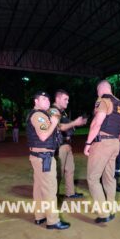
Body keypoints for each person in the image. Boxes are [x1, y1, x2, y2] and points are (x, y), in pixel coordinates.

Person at [84, 80, 120, 224]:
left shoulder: (103, 101)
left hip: (103, 143)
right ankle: (111, 209)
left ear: (100, 90)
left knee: (93, 178)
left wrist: (88, 143)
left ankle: (103, 213)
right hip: (116, 143)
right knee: (109, 178)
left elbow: (96, 124)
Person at [26, 91, 70, 230]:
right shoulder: (38, 116)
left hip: (38, 156)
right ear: (36, 101)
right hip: (44, 157)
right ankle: (52, 221)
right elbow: (44, 136)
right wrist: (54, 122)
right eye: (43, 99)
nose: (47, 101)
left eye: (48, 99)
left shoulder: (41, 115)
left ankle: (40, 216)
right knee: (50, 189)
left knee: (39, 188)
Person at [51, 89, 87, 198]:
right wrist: (75, 122)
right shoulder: (53, 111)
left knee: (70, 170)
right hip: (59, 146)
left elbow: (66, 126)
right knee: (58, 172)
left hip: (67, 144)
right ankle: (53, 195)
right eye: (65, 99)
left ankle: (70, 193)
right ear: (57, 99)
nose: (67, 101)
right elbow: (58, 127)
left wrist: (75, 125)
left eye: (68, 99)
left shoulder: (63, 112)